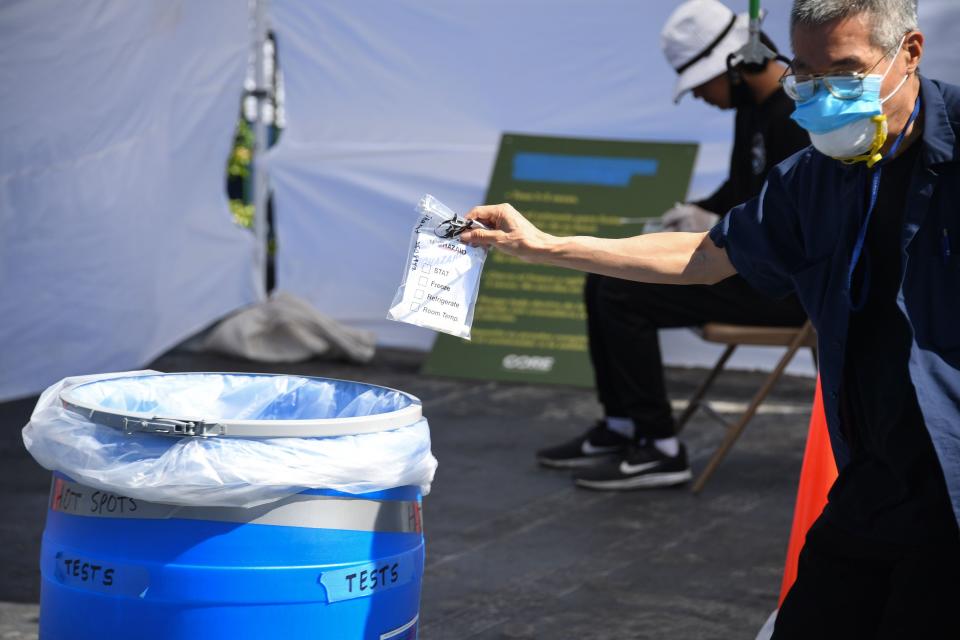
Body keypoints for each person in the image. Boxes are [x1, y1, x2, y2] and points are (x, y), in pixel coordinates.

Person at [460, 0, 960, 634]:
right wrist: (544, 245)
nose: (821, 95)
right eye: (805, 74)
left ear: (909, 52)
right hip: (872, 481)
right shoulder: (813, 175)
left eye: (845, 71)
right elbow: (703, 256)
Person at [535, 0, 810, 491]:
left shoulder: (796, 113)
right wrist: (700, 209)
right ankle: (622, 425)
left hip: (788, 288)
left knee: (625, 291)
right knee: (609, 274)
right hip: (749, 264)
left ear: (737, 64)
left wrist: (719, 220)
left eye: (702, 82)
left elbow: (789, 224)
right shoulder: (754, 108)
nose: (701, 96)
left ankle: (660, 446)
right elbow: (742, 187)